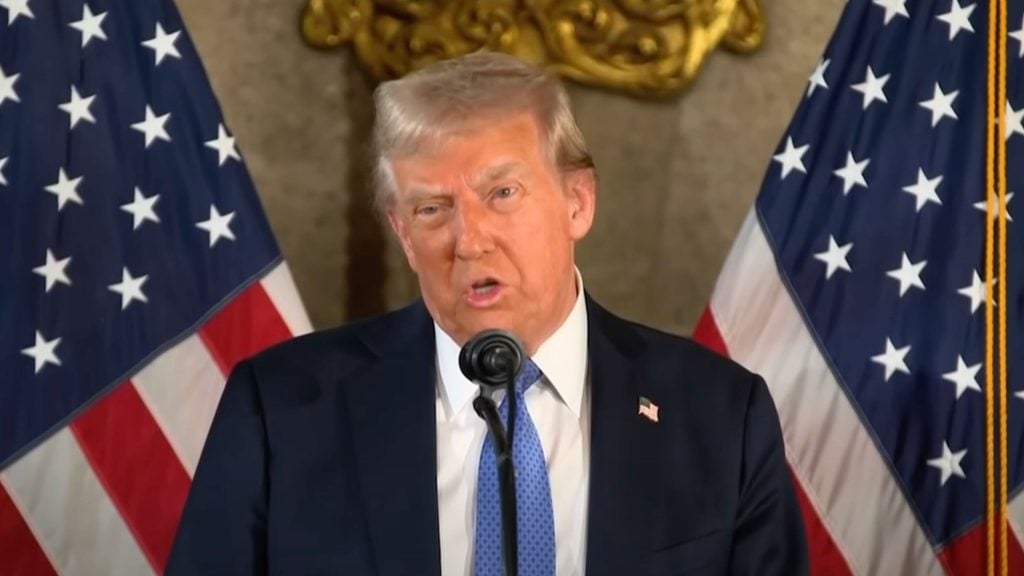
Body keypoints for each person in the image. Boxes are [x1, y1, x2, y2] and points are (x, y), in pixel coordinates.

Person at [167, 51, 807, 575]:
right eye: (431, 209)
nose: (469, 240)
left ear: (577, 202)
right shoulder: (279, 409)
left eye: (502, 193)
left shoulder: (723, 416)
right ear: (402, 233)